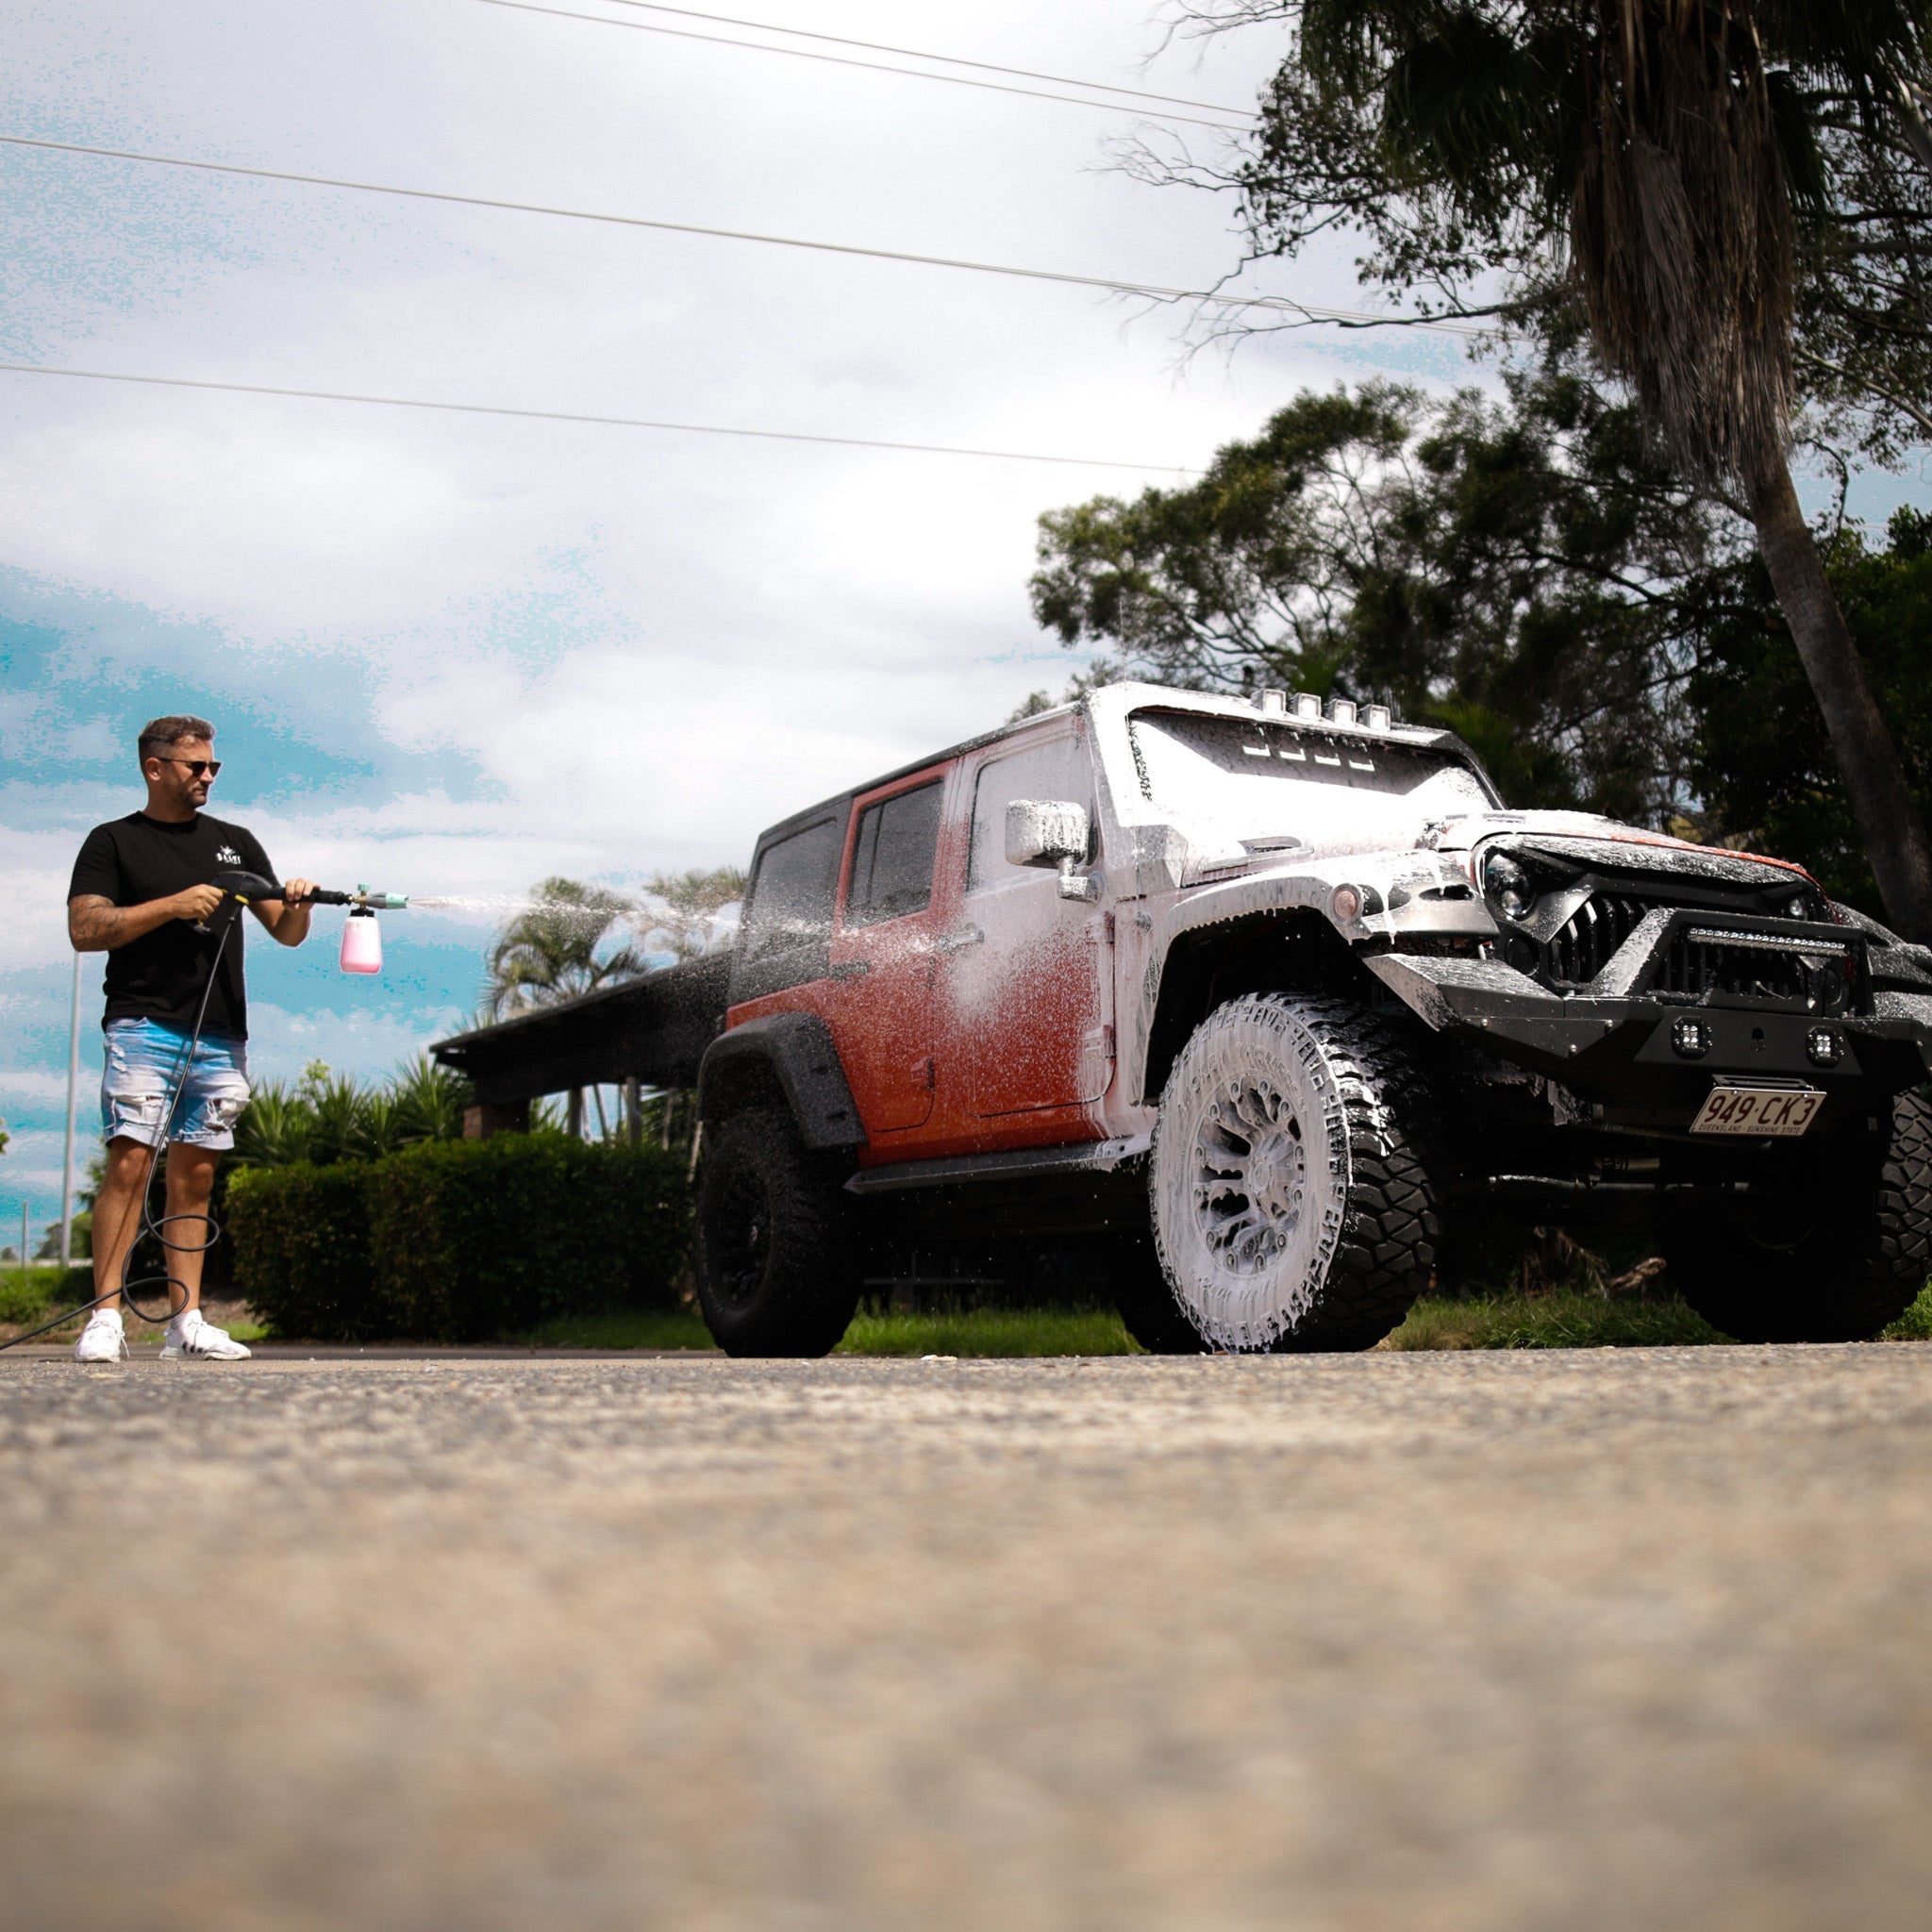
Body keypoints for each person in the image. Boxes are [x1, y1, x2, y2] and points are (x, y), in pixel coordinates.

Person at [66, 715, 317, 1362]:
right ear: (155, 768)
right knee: (130, 1161)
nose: (207, 776)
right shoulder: (113, 842)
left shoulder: (236, 843)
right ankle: (106, 1321)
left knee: (197, 1178)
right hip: (143, 1025)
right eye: (195, 766)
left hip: (220, 1034)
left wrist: (300, 902)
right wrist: (172, 906)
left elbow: (285, 932)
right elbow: (85, 929)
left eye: (214, 767)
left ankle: (187, 1324)